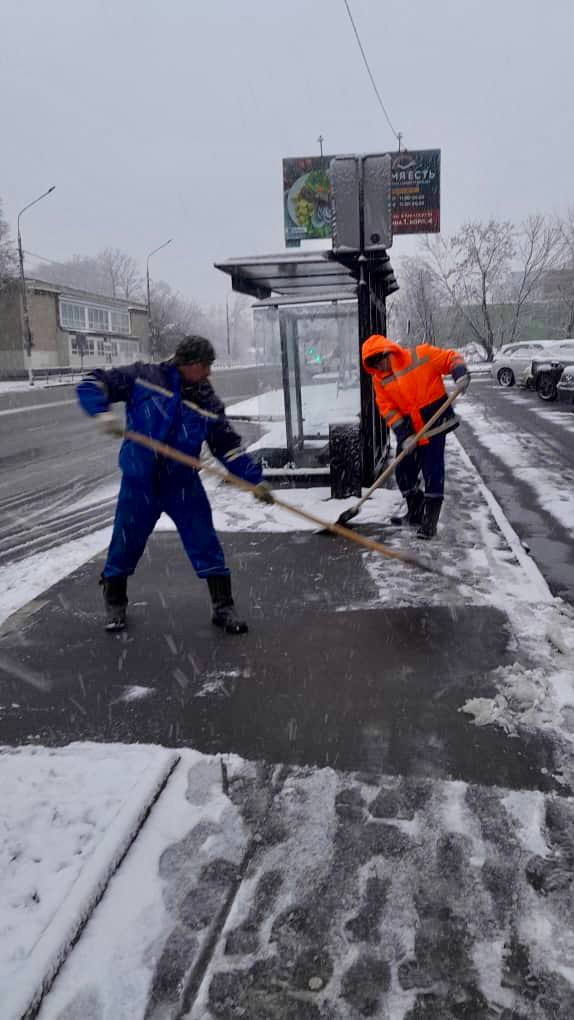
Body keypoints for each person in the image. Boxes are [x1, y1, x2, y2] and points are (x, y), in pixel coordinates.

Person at [77, 335, 273, 633]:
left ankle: (223, 607)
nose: (209, 373)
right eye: (206, 365)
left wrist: (254, 481)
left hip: (181, 484)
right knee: (124, 544)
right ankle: (115, 605)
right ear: (189, 363)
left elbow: (228, 448)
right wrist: (101, 412)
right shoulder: (144, 378)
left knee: (205, 542)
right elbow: (93, 383)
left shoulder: (208, 403)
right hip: (139, 483)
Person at [361, 334, 471, 539]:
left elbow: (450, 358)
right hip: (411, 431)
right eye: (374, 364)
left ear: (388, 352)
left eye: (380, 360)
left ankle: (430, 523)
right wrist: (404, 436)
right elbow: (388, 410)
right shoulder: (379, 380)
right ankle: (415, 512)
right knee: (403, 471)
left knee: (432, 471)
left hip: (434, 425)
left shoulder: (420, 355)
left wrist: (460, 373)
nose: (380, 367)